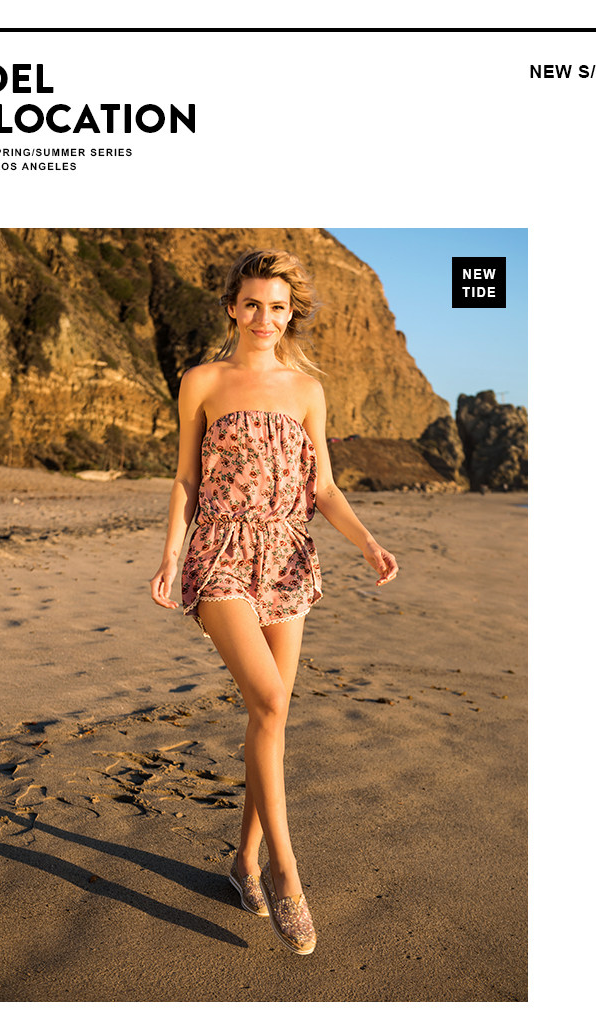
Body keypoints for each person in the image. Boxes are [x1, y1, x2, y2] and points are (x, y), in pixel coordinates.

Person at [150, 249, 398, 955]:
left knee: (272, 716)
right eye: (253, 304)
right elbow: (186, 479)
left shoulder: (306, 390)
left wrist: (368, 542)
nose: (266, 318)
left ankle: (242, 862)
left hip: (289, 556)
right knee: (268, 699)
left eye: (279, 307)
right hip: (221, 551)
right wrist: (170, 554)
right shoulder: (201, 381)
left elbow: (324, 487)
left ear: (292, 313)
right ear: (232, 307)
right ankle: (286, 875)